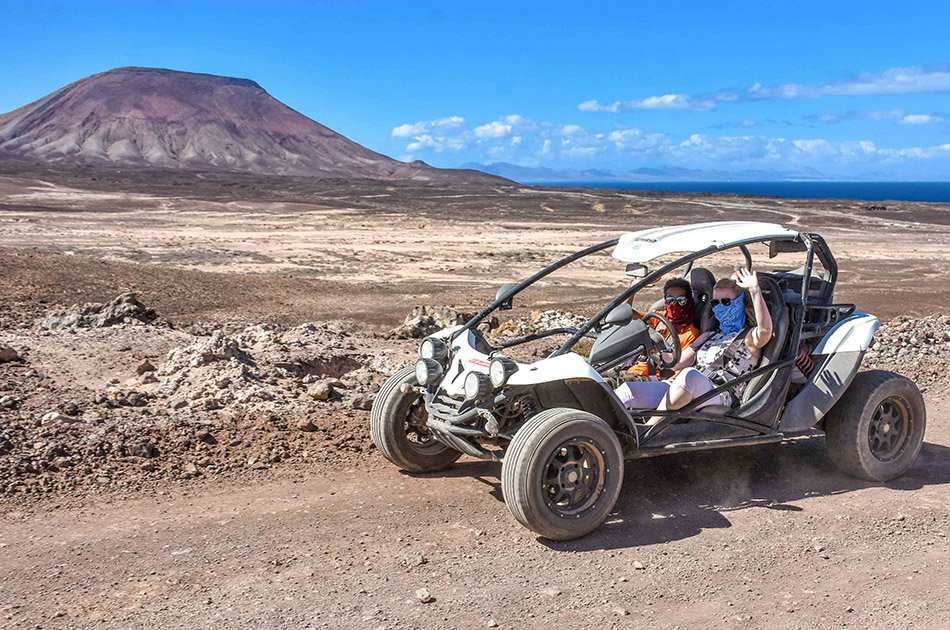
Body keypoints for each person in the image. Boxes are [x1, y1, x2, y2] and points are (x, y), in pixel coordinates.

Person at [615, 268, 773, 423]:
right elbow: (678, 362)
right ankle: (602, 430)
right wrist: (652, 352)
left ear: (741, 303)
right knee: (629, 391)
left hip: (721, 392)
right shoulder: (709, 335)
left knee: (689, 375)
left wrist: (755, 290)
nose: (719, 307)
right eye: (715, 302)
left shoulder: (749, 337)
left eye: (725, 302)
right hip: (690, 387)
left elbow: (765, 330)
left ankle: (647, 429)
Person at [626, 278, 700, 378]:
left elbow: (680, 367)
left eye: (681, 300)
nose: (675, 305)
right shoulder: (658, 318)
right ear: (665, 302)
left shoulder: (691, 333)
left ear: (689, 302)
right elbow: (625, 314)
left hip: (648, 379)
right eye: (670, 300)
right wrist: (633, 288)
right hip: (630, 368)